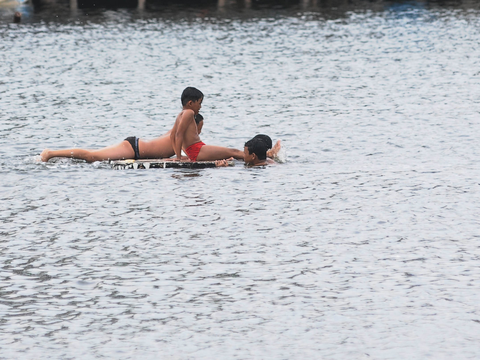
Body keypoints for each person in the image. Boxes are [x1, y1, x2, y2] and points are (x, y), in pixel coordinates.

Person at [40, 113, 204, 163]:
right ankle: (50, 153)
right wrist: (221, 158)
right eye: (198, 129)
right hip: (134, 149)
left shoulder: (177, 132)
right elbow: (196, 154)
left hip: (136, 149)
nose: (198, 134)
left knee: (93, 154)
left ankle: (54, 154)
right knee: (91, 156)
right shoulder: (180, 135)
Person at [171, 87, 245, 162]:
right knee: (234, 152)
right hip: (196, 150)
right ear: (190, 103)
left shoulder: (180, 115)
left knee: (229, 155)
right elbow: (178, 134)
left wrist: (179, 155)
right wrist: (178, 157)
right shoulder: (189, 112)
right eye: (199, 103)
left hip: (195, 150)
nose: (200, 107)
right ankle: (254, 158)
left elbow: (172, 136)